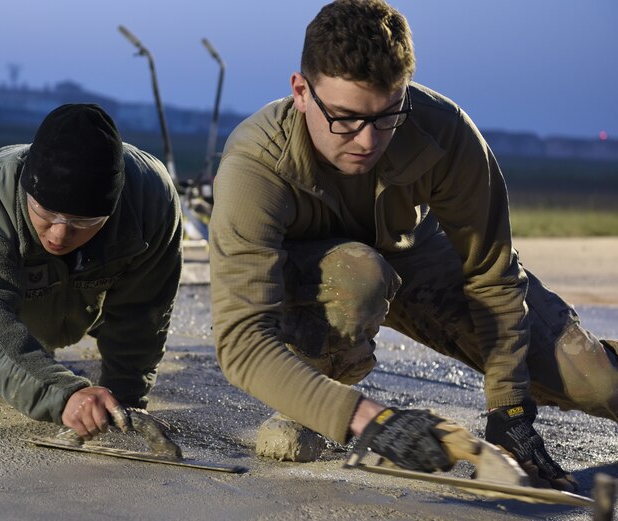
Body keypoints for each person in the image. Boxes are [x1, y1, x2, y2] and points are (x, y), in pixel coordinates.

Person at [209, 0, 617, 489]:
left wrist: (509, 407)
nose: (366, 140)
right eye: (344, 118)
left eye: (386, 117)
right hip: (323, 281)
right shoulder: (255, 165)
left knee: (593, 378)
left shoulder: (441, 129)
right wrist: (372, 421)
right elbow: (242, 341)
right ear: (300, 91)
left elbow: (492, 273)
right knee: (359, 273)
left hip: (413, 255)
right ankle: (312, 405)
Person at [0, 103, 183, 438]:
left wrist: (125, 398)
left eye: (83, 222)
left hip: (92, 303)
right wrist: (63, 394)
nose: (59, 234)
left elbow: (145, 310)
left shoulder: (151, 199)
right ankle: (34, 356)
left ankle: (50, 359)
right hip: (11, 311)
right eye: (46, 214)